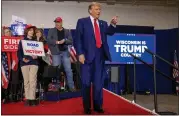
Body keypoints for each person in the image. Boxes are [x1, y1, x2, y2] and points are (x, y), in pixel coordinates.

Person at [74, 2, 118, 114]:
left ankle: (98, 106)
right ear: (90, 10)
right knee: (86, 84)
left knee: (99, 84)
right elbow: (77, 39)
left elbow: (110, 32)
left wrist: (112, 24)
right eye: (97, 9)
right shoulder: (82, 22)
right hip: (86, 58)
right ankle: (87, 108)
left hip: (100, 58)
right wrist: (80, 54)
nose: (99, 11)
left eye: (100, 9)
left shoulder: (103, 23)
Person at [47, 17, 75, 92]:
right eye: (56, 22)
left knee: (68, 70)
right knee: (56, 70)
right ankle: (56, 87)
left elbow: (71, 41)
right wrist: (57, 42)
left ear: (61, 23)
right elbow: (48, 40)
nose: (57, 23)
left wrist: (65, 40)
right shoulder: (51, 30)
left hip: (65, 52)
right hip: (56, 53)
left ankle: (71, 87)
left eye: (58, 22)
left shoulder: (66, 31)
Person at [18, 25, 39, 106]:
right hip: (24, 63)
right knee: (26, 81)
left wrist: (37, 55)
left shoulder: (35, 41)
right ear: (26, 31)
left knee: (32, 81)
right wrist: (22, 59)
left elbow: (39, 52)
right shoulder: (22, 41)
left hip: (34, 63)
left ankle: (32, 99)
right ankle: (27, 99)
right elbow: (19, 52)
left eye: (32, 30)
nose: (31, 32)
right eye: (30, 30)